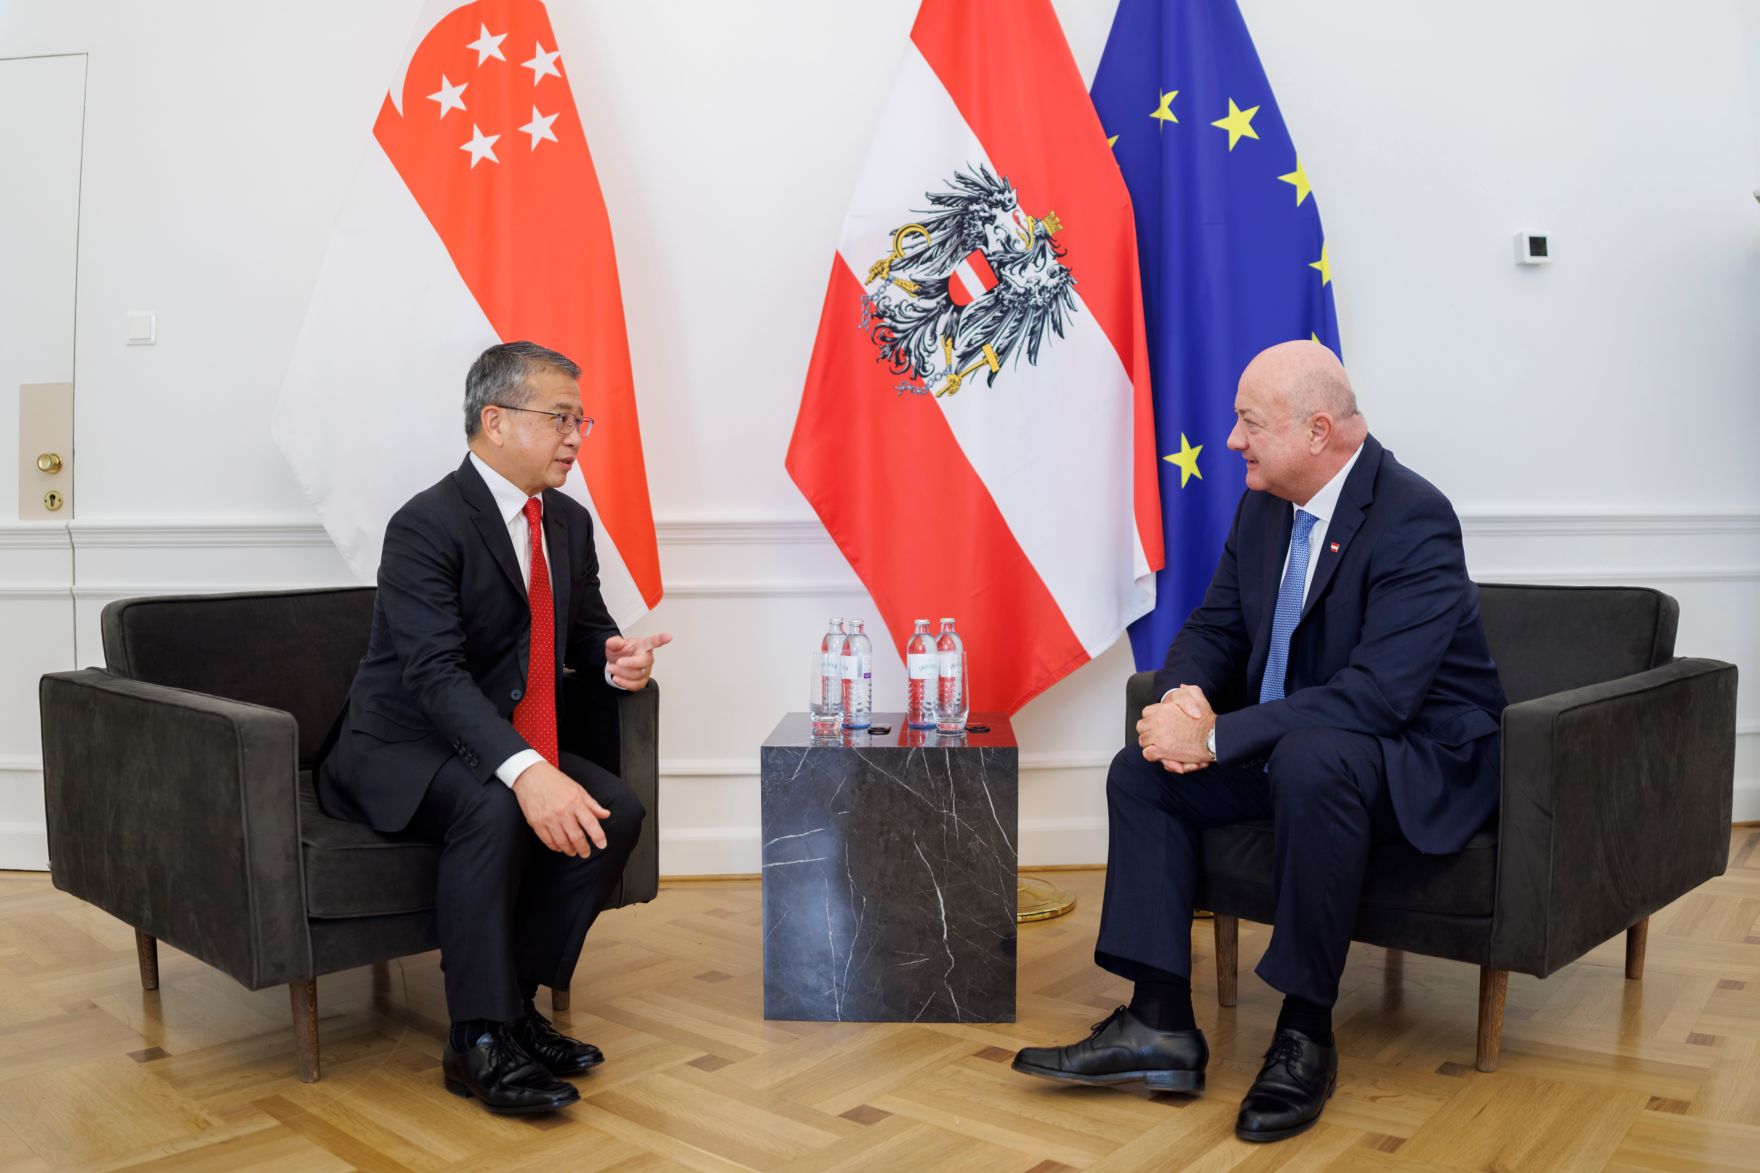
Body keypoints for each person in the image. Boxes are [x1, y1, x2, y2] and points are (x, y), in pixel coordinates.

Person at [1012, 340, 1506, 1143]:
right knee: (1142, 771)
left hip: (1413, 755)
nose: (1232, 439)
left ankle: (1305, 1033)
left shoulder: (1414, 516)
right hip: (1307, 741)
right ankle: (1160, 1022)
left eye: (1249, 422)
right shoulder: (1266, 504)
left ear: (1317, 431)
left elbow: (1379, 697)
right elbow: (1217, 626)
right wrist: (1181, 701)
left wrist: (1217, 735)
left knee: (1313, 759)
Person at [317, 340, 671, 1115]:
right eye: (560, 418)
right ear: (496, 421)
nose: (576, 437)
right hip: (399, 744)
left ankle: (515, 1005)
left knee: (615, 813)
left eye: (581, 421)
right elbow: (434, 676)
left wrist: (618, 661)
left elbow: (586, 634)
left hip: (489, 738)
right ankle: (475, 1039)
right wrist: (528, 770)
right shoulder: (426, 524)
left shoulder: (567, 522)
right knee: (497, 803)